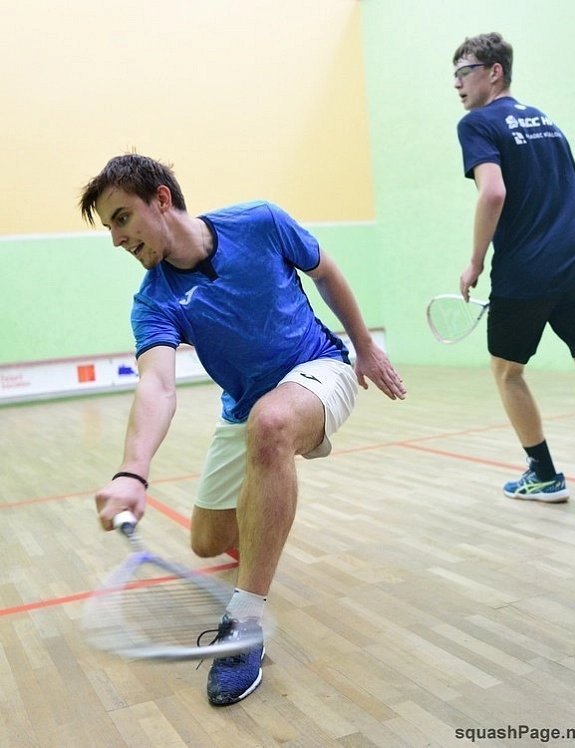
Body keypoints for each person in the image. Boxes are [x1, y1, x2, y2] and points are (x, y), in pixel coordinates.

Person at [79, 153, 407, 706]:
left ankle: (245, 622)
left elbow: (325, 272)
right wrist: (132, 472)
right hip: (244, 407)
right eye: (111, 227)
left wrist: (365, 346)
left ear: (161, 199)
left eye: (121, 218)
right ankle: (265, 512)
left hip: (319, 368)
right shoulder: (154, 300)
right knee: (208, 541)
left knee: (271, 425)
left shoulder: (260, 222)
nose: (116, 239)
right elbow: (157, 384)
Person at [452, 32, 575, 503]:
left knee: (506, 371)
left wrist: (475, 261)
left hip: (525, 277)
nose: (457, 83)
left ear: (494, 71)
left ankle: (545, 475)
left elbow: (493, 192)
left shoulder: (476, 124)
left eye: (464, 71)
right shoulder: (547, 122)